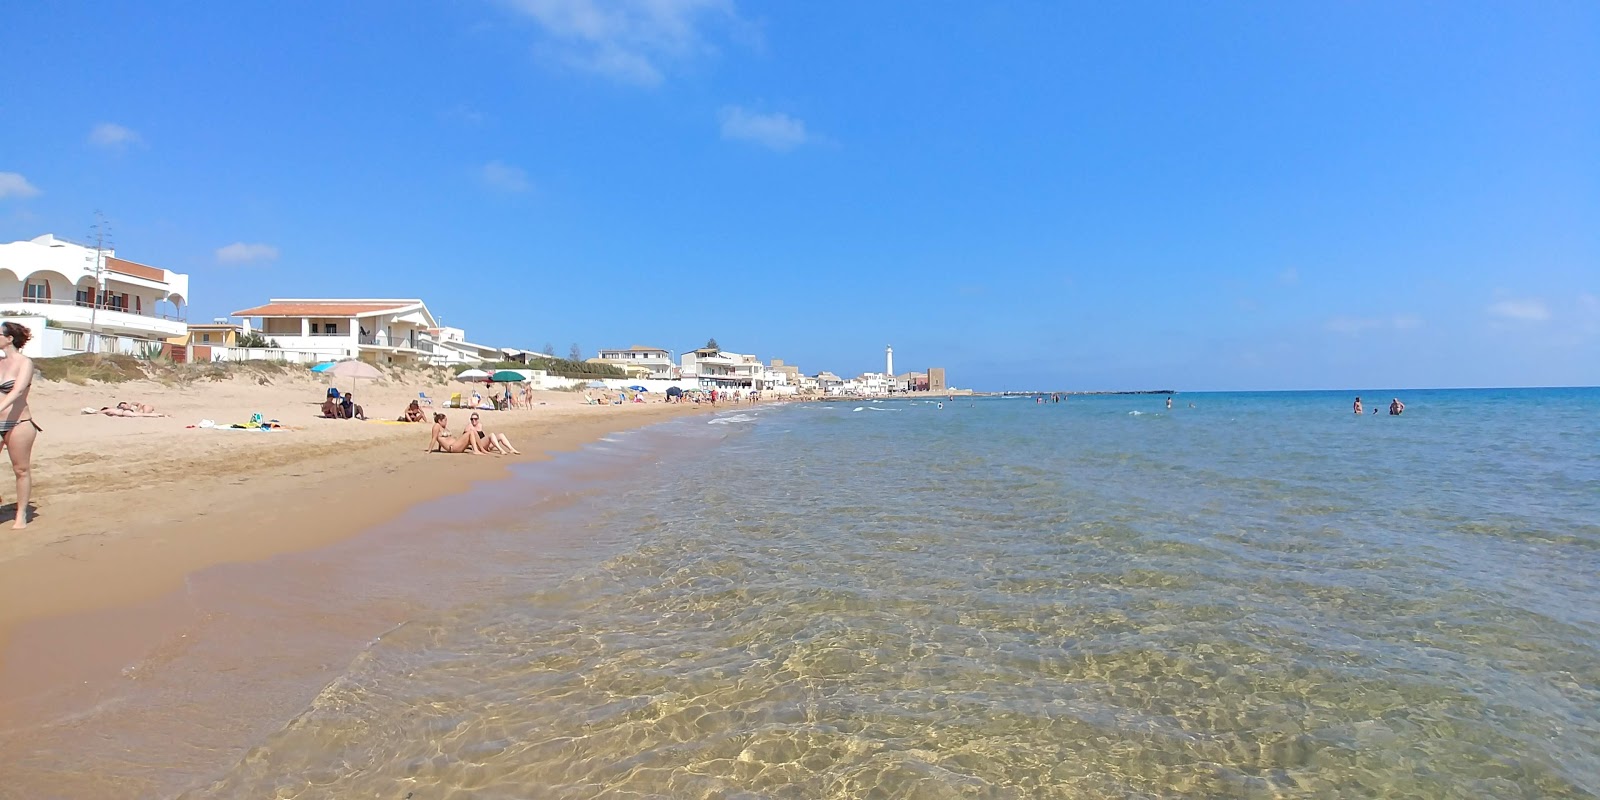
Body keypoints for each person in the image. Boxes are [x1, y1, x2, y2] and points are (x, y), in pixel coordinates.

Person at [0, 322, 40, 528]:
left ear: (9, 339)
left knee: (21, 469)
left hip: (18, 423)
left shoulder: (25, 362)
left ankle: (21, 514)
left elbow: (16, 391)